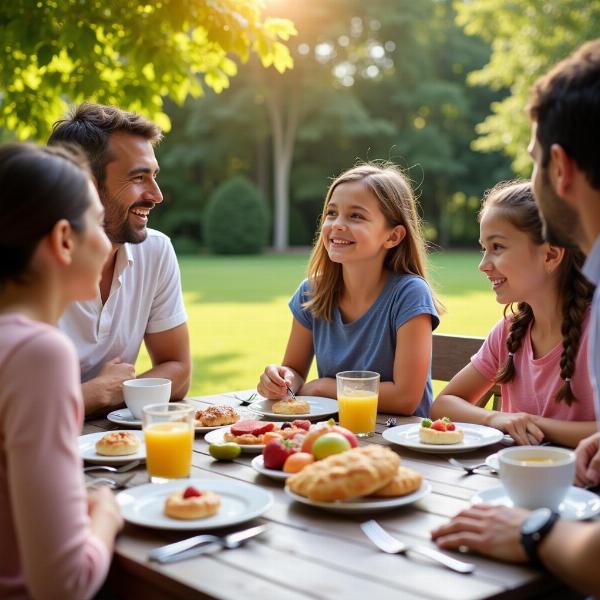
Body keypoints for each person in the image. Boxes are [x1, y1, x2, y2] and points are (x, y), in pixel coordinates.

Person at [431, 40, 600, 597]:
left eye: (532, 157)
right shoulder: (513, 330)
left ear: (559, 166)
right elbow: (448, 403)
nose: (484, 265)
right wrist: (501, 422)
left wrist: (533, 533)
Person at [0, 142, 123, 599]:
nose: (108, 242)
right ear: (63, 240)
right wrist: (107, 513)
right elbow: (64, 584)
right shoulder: (37, 354)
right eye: (97, 221)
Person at [257, 163, 442, 416]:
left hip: (399, 440)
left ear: (393, 236)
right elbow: (296, 372)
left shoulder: (409, 293)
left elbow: (405, 398)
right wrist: (281, 379)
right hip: (339, 433)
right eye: (332, 213)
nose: (338, 225)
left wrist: (324, 387)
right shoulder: (312, 291)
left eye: (356, 216)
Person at [48, 103, 191, 416]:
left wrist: (117, 391)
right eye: (139, 177)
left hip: (115, 450)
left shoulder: (155, 250)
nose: (157, 195)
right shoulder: (21, 268)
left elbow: (178, 372)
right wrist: (94, 394)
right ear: (84, 184)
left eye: (154, 176)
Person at [431, 180, 595, 447]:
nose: (483, 265)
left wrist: (532, 423)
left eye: (497, 247)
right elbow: (443, 405)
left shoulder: (594, 332)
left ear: (551, 255)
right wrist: (494, 419)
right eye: (484, 248)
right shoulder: (509, 331)